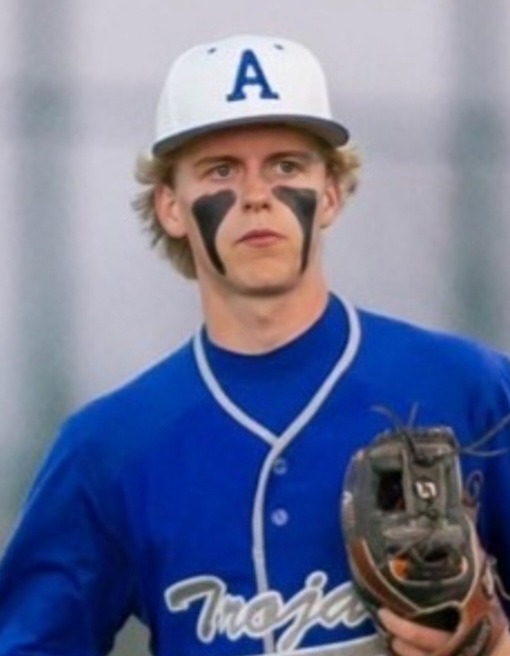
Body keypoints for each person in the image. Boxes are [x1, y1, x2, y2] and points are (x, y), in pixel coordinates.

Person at [0, 33, 509, 656]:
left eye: (286, 165)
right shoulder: (109, 448)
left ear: (331, 193)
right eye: (221, 169)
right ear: (171, 206)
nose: (256, 194)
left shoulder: (473, 391)